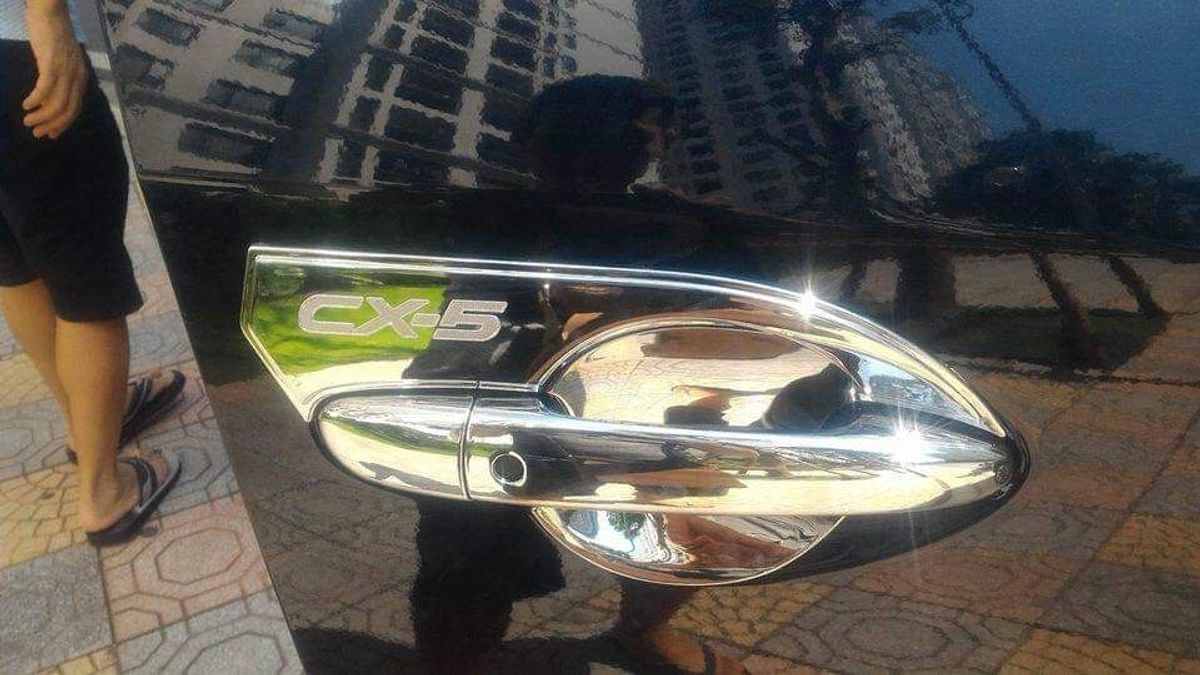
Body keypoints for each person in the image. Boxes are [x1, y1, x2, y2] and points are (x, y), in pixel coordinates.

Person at [0, 0, 183, 544]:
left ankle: (89, 425)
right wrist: (48, 15)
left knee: (15, 264)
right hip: (17, 54)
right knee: (85, 282)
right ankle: (106, 493)